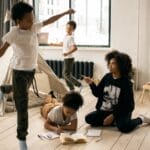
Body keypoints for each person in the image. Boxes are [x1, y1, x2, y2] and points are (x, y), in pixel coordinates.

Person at [0, 2, 75, 150]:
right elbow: (2, 50)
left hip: (30, 72)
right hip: (19, 72)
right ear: (18, 21)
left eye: (32, 18)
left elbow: (49, 20)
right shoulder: (13, 33)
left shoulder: (33, 28)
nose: (32, 21)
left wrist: (66, 13)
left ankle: (3, 89)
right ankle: (22, 138)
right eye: (28, 19)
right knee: (22, 106)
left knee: (19, 91)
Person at [84, 50, 150, 133]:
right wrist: (91, 84)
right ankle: (115, 122)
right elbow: (97, 93)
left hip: (120, 112)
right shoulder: (107, 77)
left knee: (124, 127)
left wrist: (113, 116)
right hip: (104, 111)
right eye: (109, 63)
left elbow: (129, 106)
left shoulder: (126, 82)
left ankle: (140, 119)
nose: (109, 66)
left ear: (121, 65)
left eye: (113, 63)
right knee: (88, 119)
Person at [50, 21, 82, 92]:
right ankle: (71, 89)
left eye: (70, 28)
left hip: (69, 58)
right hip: (66, 58)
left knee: (66, 74)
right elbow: (63, 44)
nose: (67, 29)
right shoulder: (66, 36)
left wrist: (67, 53)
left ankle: (79, 85)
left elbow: (75, 48)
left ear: (73, 30)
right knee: (65, 74)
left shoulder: (71, 38)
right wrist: (54, 44)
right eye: (67, 27)